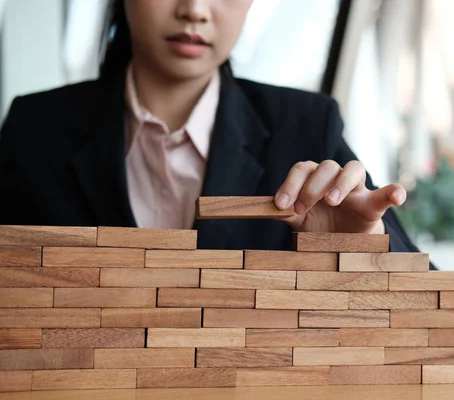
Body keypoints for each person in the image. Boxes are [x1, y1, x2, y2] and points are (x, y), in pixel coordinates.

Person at [0, 0, 427, 261]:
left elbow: (427, 303)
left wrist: (365, 249)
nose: (195, 9)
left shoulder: (307, 127)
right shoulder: (34, 129)